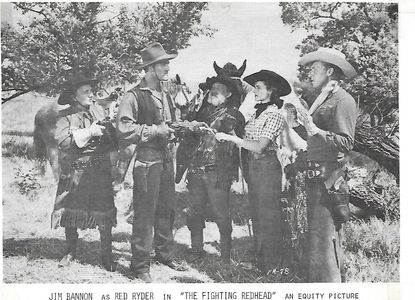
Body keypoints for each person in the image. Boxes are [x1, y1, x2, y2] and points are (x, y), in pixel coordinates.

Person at [116, 42, 203, 282]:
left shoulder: (166, 93)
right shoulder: (133, 96)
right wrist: (156, 131)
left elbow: (171, 123)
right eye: (163, 64)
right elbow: (124, 129)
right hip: (146, 163)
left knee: (167, 210)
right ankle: (140, 266)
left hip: (167, 160)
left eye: (167, 63)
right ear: (150, 68)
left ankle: (165, 254)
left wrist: (186, 126)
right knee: (144, 214)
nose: (167, 67)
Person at [216, 70, 291, 272]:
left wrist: (233, 139)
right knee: (257, 212)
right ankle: (261, 261)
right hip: (254, 167)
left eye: (259, 87)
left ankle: (273, 264)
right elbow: (247, 139)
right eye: (255, 87)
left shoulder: (275, 115)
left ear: (271, 91)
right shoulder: (257, 112)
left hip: (267, 167)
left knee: (268, 214)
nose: (255, 91)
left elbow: (260, 146)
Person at [296, 47, 357, 282]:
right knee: (321, 239)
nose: (310, 74)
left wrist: (315, 130)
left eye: (314, 69)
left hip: (328, 180)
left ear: (330, 71)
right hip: (317, 179)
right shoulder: (324, 99)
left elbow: (345, 142)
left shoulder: (343, 100)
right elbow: (314, 137)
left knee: (325, 239)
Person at [52, 73, 118, 272]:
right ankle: (70, 251)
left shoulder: (99, 113)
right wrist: (89, 132)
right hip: (76, 169)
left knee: (104, 209)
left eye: (92, 91)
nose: (91, 95)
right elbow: (62, 141)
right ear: (74, 95)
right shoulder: (65, 116)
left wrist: (108, 131)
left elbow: (113, 143)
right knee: (71, 209)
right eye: (86, 91)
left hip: (100, 169)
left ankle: (106, 254)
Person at [178, 76, 245, 263]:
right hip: (196, 169)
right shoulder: (201, 113)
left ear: (229, 94)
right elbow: (185, 131)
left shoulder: (233, 114)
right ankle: (196, 249)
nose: (213, 91)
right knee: (194, 211)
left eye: (219, 88)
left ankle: (225, 254)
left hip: (218, 171)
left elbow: (230, 129)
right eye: (212, 87)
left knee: (221, 213)